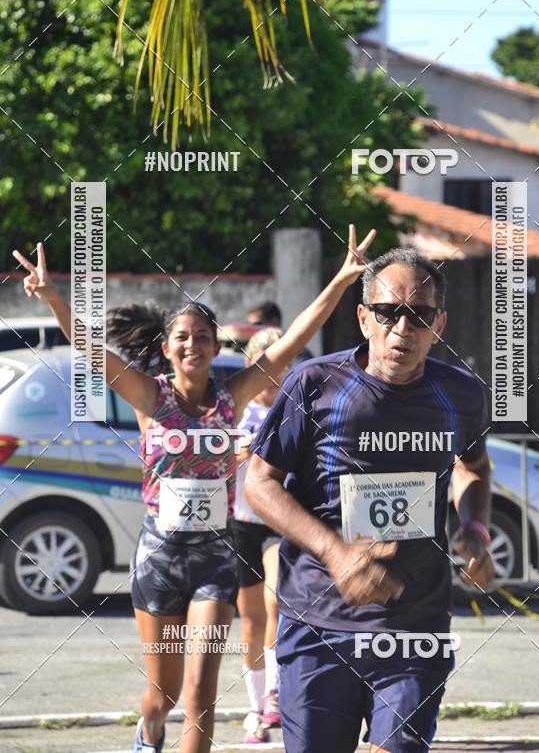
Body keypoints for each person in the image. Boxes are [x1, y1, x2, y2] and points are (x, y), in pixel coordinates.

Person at [12, 225, 374, 753]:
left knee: (201, 694)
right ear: (168, 347)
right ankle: (149, 729)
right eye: (182, 337)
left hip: (214, 560)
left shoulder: (233, 395)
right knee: (163, 694)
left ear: (213, 346)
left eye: (202, 337)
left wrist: (342, 280)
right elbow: (89, 348)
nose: (192, 345)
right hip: (158, 558)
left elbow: (293, 338)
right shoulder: (146, 395)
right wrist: (52, 298)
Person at [245, 247, 495, 753]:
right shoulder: (315, 386)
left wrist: (476, 529)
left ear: (438, 323)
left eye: (420, 315)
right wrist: (336, 552)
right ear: (364, 317)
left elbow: (475, 467)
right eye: (388, 312)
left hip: (415, 625)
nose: (403, 327)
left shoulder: (462, 394)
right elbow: (258, 482)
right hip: (319, 621)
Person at [231, 327, 285, 743]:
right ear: (252, 366)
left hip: (282, 521)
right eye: (265, 366)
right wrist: (235, 452)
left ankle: (275, 694)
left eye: (281, 365)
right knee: (250, 620)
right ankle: (255, 707)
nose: (274, 375)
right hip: (242, 522)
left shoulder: (297, 406)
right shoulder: (234, 409)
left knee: (275, 599)